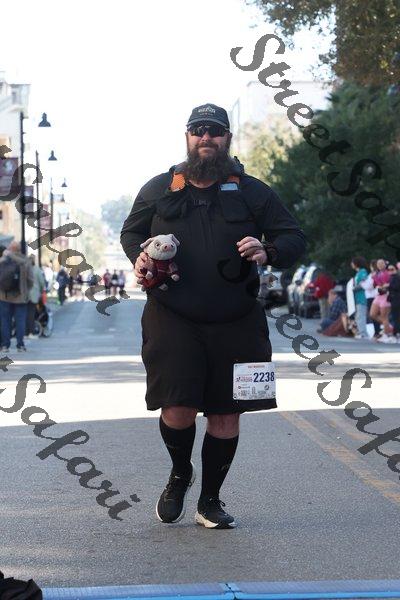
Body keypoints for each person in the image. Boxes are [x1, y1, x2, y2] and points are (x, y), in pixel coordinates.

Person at [120, 103, 306, 529]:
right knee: (177, 407)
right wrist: (139, 257)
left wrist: (268, 250)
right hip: (172, 314)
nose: (207, 137)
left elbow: (293, 236)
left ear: (227, 138)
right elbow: (132, 232)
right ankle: (180, 473)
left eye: (215, 131)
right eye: (199, 130)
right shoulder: (160, 187)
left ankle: (210, 500)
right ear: (187, 137)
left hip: (238, 317)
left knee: (227, 412)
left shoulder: (253, 191)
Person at [0, 241, 34, 352]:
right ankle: (20, 345)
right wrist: (25, 290)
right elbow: (31, 280)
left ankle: (5, 345)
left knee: (5, 321)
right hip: (20, 297)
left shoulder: (3, 260)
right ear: (20, 249)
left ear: (10, 249)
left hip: (4, 296)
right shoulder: (25, 261)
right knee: (20, 321)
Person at [370, 258, 393, 342]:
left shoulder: (388, 273)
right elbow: (375, 284)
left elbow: (390, 284)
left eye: (381, 263)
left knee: (384, 317)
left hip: (386, 295)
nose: (379, 265)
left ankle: (386, 335)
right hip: (378, 295)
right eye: (378, 264)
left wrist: (385, 285)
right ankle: (389, 327)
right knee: (372, 314)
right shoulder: (377, 273)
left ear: (385, 264)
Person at [26, 255, 46, 337]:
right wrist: (41, 291)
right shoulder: (37, 269)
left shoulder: (25, 268)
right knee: (31, 313)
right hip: (34, 294)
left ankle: (25, 331)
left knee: (25, 313)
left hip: (25, 295)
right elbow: (42, 282)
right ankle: (31, 332)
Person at [350, 256, 369, 339]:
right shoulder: (358, 273)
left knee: (361, 315)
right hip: (357, 297)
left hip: (362, 297)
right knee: (358, 315)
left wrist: (354, 288)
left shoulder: (363, 272)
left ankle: (363, 333)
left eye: (352, 263)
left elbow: (363, 283)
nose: (351, 264)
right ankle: (361, 331)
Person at [361, 259, 380, 338]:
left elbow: (369, 286)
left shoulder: (374, 275)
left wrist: (362, 283)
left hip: (372, 296)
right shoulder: (373, 274)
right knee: (374, 315)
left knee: (373, 315)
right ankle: (377, 331)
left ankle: (377, 331)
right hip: (371, 296)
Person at [388, 262, 400, 341]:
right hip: (394, 299)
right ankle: (395, 333)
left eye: (392, 269)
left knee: (396, 317)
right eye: (389, 270)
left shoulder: (396, 277)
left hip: (396, 299)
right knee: (395, 317)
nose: (390, 271)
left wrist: (388, 286)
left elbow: (396, 287)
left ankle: (396, 334)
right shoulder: (393, 277)